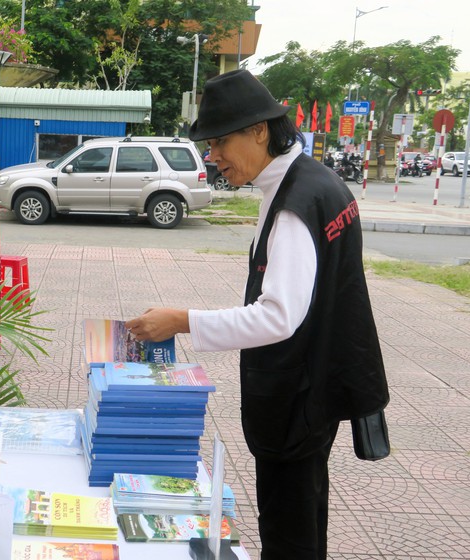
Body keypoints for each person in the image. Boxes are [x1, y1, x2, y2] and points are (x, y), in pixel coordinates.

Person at [125, 69, 389, 560]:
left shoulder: (293, 205)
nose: (214, 156)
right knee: (304, 518)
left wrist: (183, 320)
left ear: (260, 131)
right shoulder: (316, 182)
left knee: (289, 533)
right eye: (209, 145)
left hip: (297, 395)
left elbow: (277, 317)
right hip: (319, 381)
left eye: (221, 141)